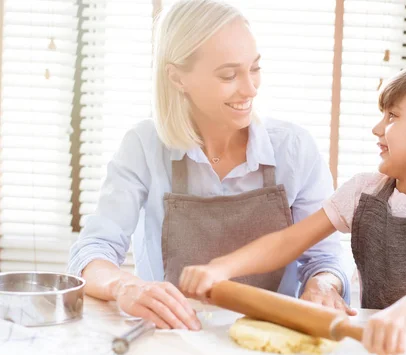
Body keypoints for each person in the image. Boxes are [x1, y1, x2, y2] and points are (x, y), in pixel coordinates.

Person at [179, 63, 406, 355]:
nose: (377, 128)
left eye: (393, 116)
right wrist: (222, 267)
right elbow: (287, 242)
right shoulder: (364, 191)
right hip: (383, 351)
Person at [67, 0, 352, 331]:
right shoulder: (144, 147)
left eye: (255, 68)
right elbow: (92, 252)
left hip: (273, 346)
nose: (250, 88)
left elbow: (325, 259)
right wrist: (124, 286)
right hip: (175, 339)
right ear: (177, 78)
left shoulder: (294, 149)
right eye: (229, 74)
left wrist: (323, 284)